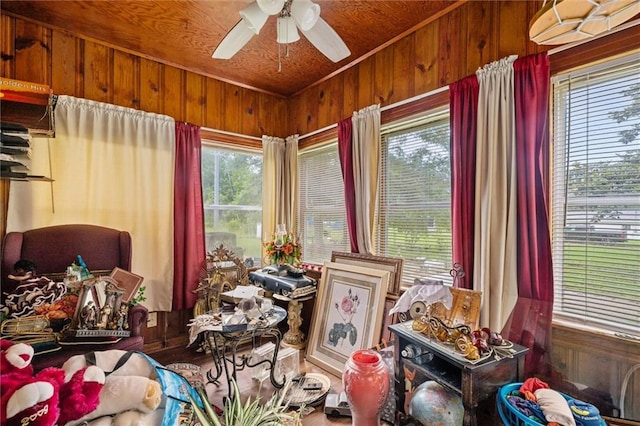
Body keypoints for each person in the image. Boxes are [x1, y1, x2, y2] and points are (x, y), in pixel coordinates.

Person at [1, 259, 67, 318]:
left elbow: (24, 278)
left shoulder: (29, 274)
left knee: (27, 294)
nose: (18, 272)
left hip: (31, 284)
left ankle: (29, 301)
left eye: (19, 270)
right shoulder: (27, 275)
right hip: (28, 285)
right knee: (23, 295)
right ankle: (23, 304)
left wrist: (14, 277)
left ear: (23, 268)